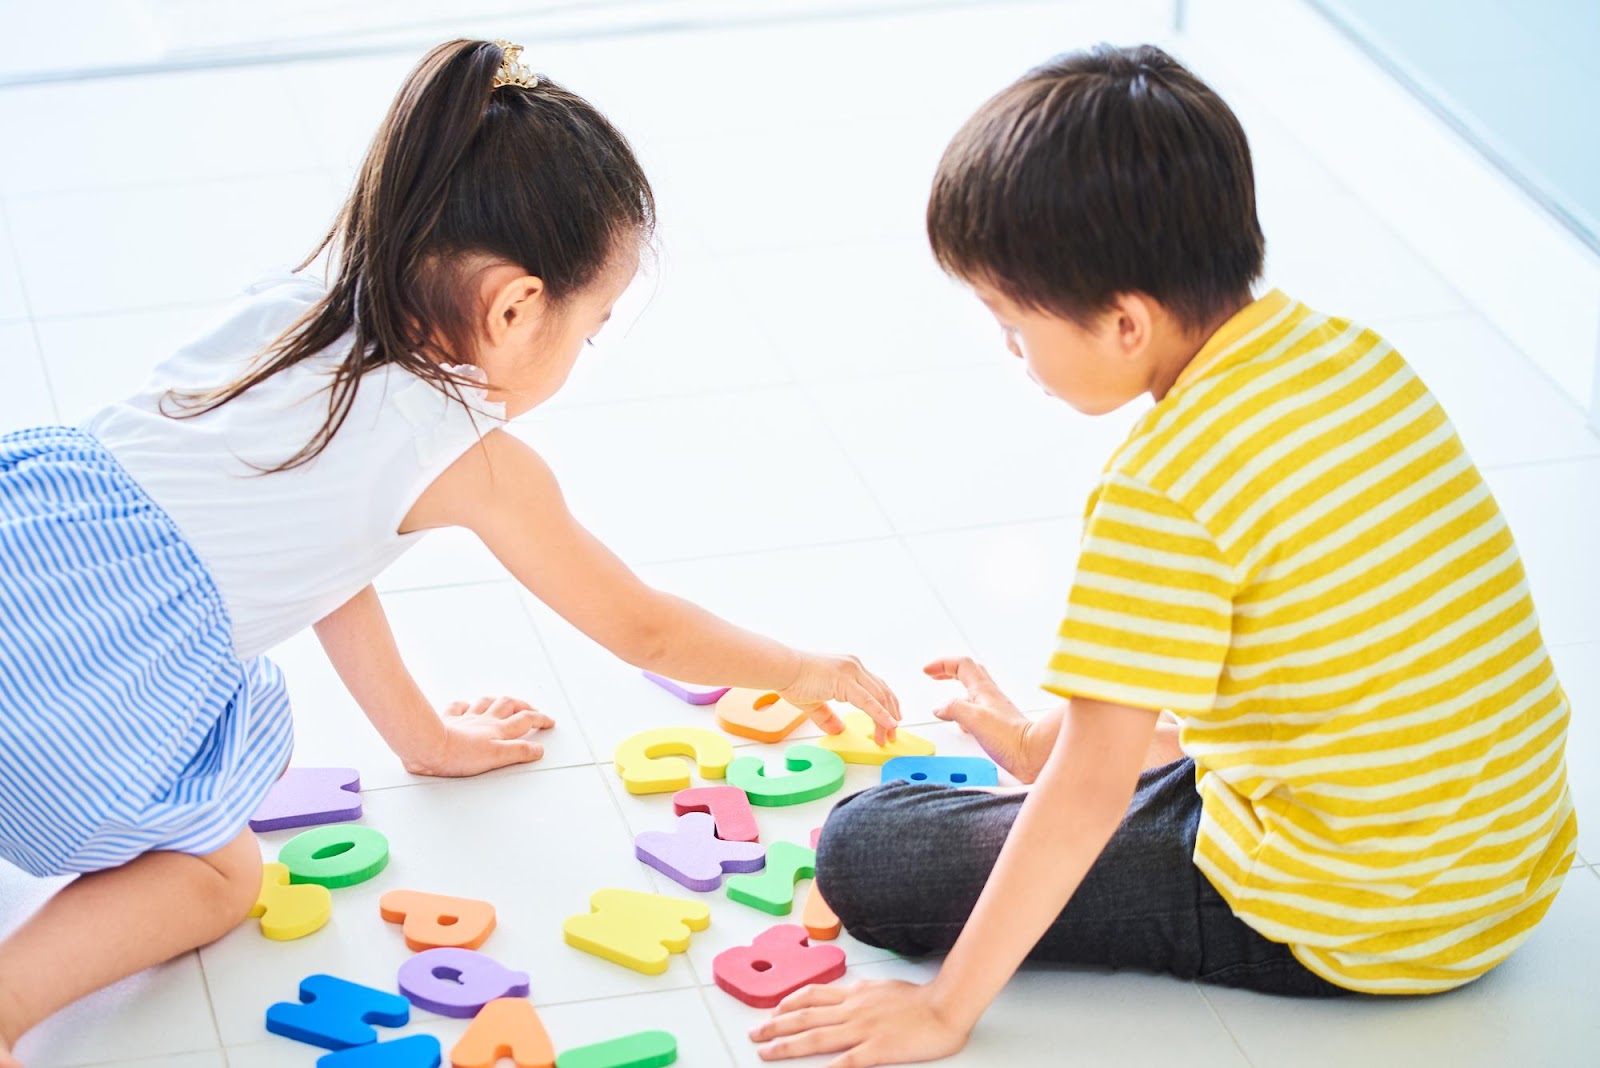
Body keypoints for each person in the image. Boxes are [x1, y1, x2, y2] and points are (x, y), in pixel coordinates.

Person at [0, 39, 899, 1062]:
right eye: (592, 325)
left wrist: (422, 739)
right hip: (70, 693)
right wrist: (796, 668)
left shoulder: (293, 304)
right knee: (220, 878)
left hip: (27, 540)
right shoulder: (467, 456)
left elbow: (327, 567)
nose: (587, 345)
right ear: (518, 307)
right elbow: (640, 624)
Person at [753, 43, 1577, 1066]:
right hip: (1503, 872)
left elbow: (1090, 789)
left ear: (1124, 321)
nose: (1012, 354)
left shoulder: (1163, 485)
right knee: (1102, 748)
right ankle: (1161, 766)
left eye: (1013, 325)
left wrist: (941, 1010)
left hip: (1352, 922)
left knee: (864, 846)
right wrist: (1032, 740)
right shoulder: (1359, 360)